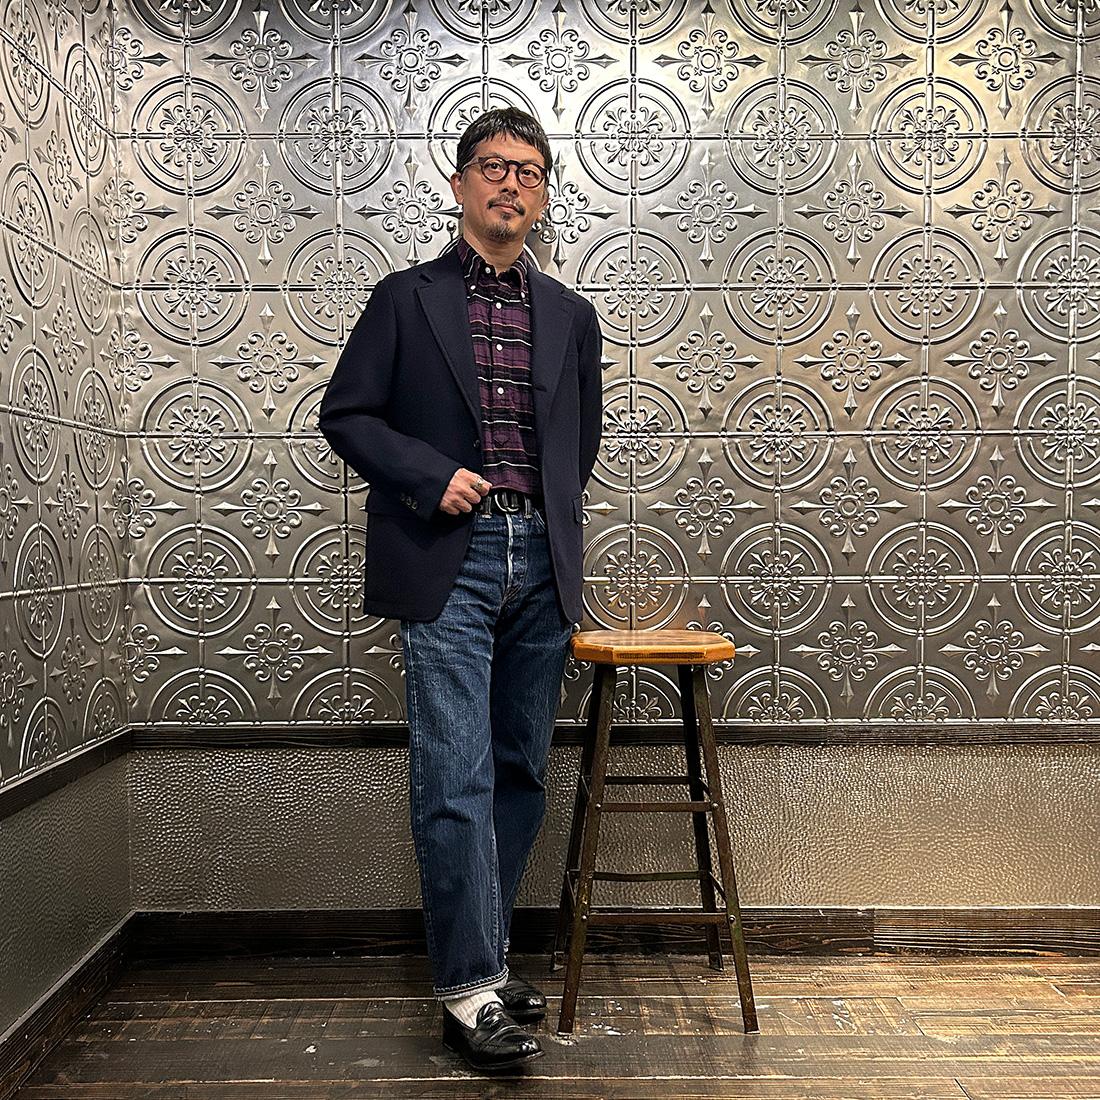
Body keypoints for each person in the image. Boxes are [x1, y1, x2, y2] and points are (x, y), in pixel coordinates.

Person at [318, 107, 603, 1072]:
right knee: (456, 771)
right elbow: (347, 413)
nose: (511, 183)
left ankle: (489, 960)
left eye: (529, 171)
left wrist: (546, 516)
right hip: (451, 554)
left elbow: (579, 443)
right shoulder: (405, 298)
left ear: (543, 194)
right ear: (458, 184)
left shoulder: (570, 315)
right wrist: (428, 476)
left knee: (520, 769)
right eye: (493, 166)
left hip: (544, 562)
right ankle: (467, 988)